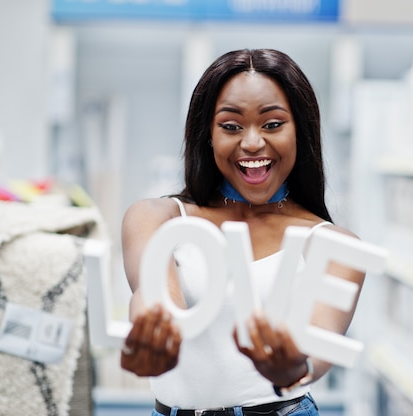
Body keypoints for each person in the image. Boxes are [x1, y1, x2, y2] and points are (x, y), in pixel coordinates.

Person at [120, 48, 365, 416]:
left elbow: (320, 343)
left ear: (301, 130)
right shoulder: (158, 216)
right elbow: (154, 294)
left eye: (272, 124)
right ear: (207, 134)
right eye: (231, 126)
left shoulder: (334, 244)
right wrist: (151, 329)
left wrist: (297, 367)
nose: (252, 143)